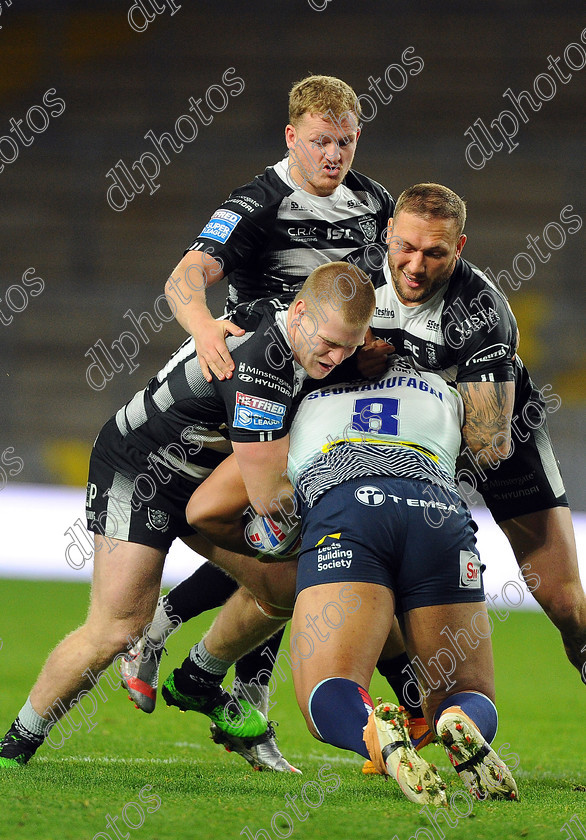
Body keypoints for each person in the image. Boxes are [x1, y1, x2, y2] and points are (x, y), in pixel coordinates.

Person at [121, 74, 418, 760]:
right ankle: (205, 671)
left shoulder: (371, 200)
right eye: (319, 141)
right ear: (292, 137)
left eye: (344, 140)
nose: (333, 154)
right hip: (262, 386)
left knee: (284, 540)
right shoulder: (258, 201)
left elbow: (369, 288)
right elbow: (185, 275)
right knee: (279, 535)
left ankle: (195, 665)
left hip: (324, 389)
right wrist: (202, 328)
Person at [0, 262, 375, 769]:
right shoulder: (260, 366)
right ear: (301, 312)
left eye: (350, 347)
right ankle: (16, 745)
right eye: (330, 343)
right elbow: (269, 498)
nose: (336, 358)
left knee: (286, 583)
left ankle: (198, 677)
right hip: (138, 468)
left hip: (202, 484)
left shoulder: (288, 326)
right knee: (116, 628)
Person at [349, 182, 586, 682]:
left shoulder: (482, 310)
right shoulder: (354, 280)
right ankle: (411, 700)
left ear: (459, 247)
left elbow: (488, 442)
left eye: (434, 253)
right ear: (387, 233)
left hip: (502, 444)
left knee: (566, 604)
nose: (415, 267)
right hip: (393, 441)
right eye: (405, 248)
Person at [286, 355, 518, 805]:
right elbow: (493, 446)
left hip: (348, 504)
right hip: (438, 510)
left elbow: (221, 499)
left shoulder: (304, 390)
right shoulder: (444, 388)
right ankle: (457, 719)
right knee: (465, 690)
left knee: (328, 687)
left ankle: (378, 733)